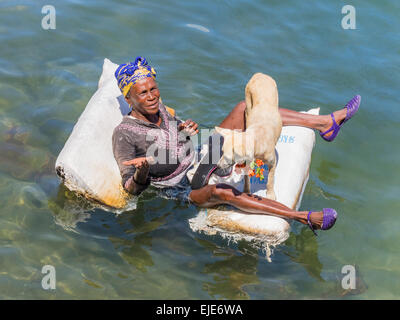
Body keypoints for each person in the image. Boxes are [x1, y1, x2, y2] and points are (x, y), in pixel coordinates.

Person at [112, 56, 361, 236]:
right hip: (182, 187)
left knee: (244, 108)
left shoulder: (159, 109)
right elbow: (130, 189)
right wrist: (141, 173)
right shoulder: (124, 134)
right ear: (129, 98)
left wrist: (185, 130)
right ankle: (302, 217)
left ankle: (323, 123)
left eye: (153, 89)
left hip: (200, 154)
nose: (152, 96)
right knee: (219, 191)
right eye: (143, 93)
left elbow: (173, 139)